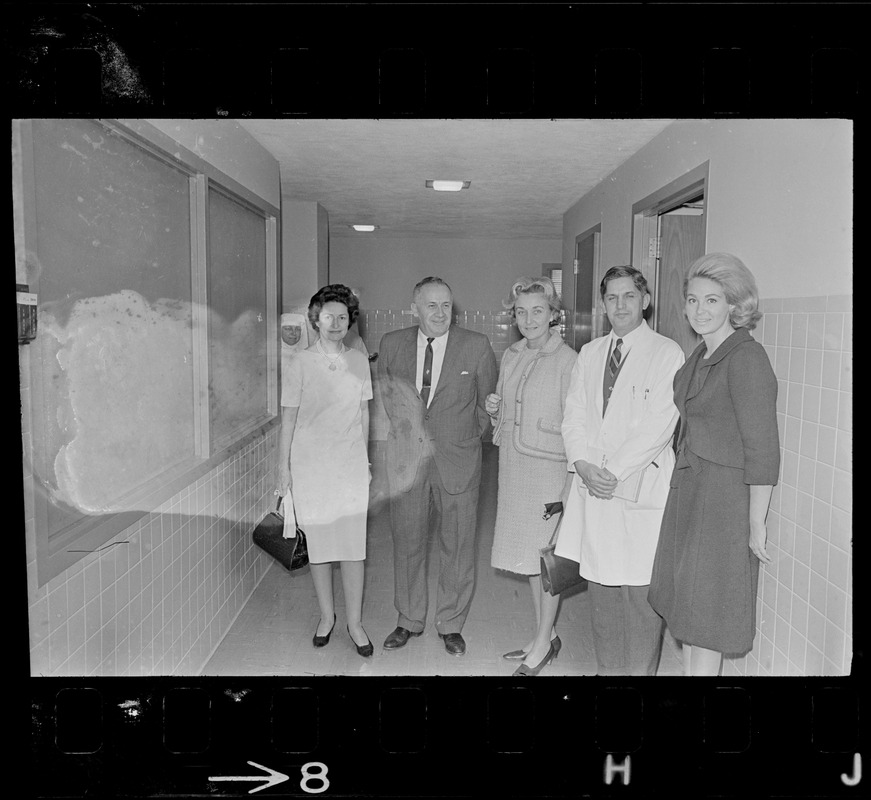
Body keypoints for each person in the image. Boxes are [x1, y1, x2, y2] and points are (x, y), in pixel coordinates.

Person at [648, 253, 779, 676]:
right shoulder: (702, 353)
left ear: (734, 305)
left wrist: (756, 520)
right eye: (692, 300)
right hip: (691, 490)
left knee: (706, 617)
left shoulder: (745, 358)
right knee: (688, 613)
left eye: (712, 300)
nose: (699, 310)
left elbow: (762, 448)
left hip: (723, 500)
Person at [557, 265, 684, 676]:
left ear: (645, 300)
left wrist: (607, 471)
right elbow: (573, 414)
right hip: (593, 483)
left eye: (629, 296)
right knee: (603, 592)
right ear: (603, 303)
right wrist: (581, 464)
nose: (620, 305)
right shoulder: (591, 353)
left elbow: (659, 426)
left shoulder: (667, 353)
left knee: (641, 596)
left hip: (636, 484)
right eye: (612, 297)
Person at [371, 277, 497, 656]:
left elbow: (488, 404)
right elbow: (386, 399)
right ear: (415, 308)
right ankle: (408, 619)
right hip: (407, 462)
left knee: (457, 545)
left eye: (446, 305)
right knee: (407, 542)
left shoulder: (476, 346)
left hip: (457, 462)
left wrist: (464, 439)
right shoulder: (392, 344)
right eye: (431, 305)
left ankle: (451, 622)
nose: (440, 313)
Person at [275, 284, 375, 658]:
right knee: (318, 548)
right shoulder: (300, 362)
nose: (336, 323)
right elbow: (289, 419)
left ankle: (355, 622)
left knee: (352, 547)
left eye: (343, 317)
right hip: (310, 466)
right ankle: (327, 616)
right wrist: (283, 469)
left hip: (349, 465)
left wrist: (364, 461)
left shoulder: (359, 359)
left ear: (351, 321)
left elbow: (364, 413)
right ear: (314, 319)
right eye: (328, 316)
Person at [485, 276, 576, 676]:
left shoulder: (568, 359)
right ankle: (545, 633)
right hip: (516, 470)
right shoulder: (512, 354)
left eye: (538, 310)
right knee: (528, 558)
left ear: (554, 314)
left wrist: (571, 481)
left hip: (548, 470)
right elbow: (507, 413)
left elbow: (577, 425)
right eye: (521, 312)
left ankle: (543, 643)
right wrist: (494, 408)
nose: (528, 319)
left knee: (546, 562)